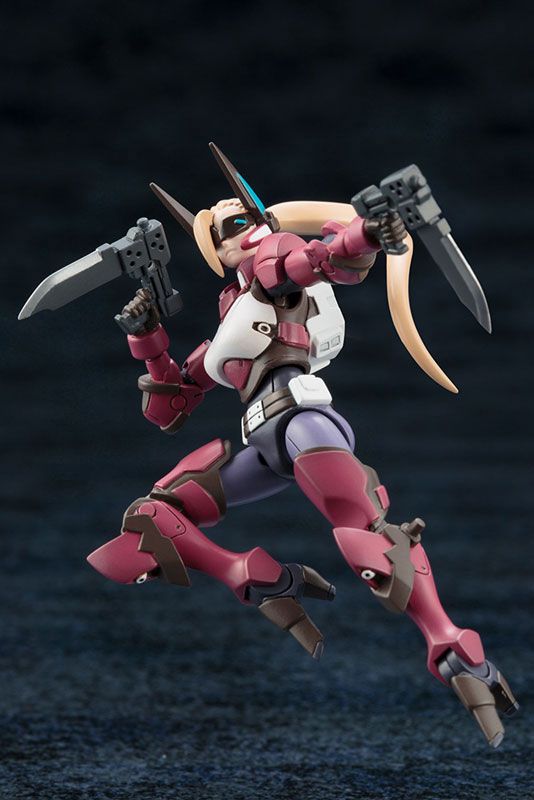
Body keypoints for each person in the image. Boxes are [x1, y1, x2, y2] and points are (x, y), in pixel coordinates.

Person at [87, 144, 518, 747]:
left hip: (302, 423)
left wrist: (364, 234)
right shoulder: (231, 322)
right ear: (215, 251)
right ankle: (253, 574)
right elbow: (171, 406)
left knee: (369, 536)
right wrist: (147, 338)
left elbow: (317, 262)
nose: (248, 227)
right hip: (264, 446)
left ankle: (453, 646)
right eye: (232, 226)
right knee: (154, 517)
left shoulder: (276, 268)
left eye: (248, 215)